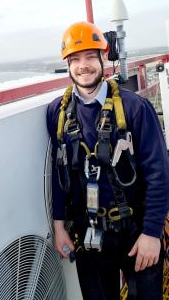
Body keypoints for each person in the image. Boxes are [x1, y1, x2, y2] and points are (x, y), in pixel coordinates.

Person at [46, 21, 169, 300]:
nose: (83, 66)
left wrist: (151, 233)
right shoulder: (58, 113)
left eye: (91, 56)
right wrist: (59, 226)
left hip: (136, 234)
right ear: (67, 65)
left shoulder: (135, 108)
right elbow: (59, 172)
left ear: (104, 57)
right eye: (75, 59)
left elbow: (159, 173)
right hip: (89, 238)